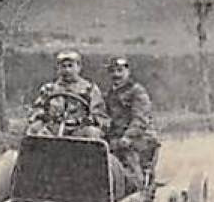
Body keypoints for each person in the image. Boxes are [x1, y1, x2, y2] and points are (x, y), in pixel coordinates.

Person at [103, 57, 159, 191]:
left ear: (128, 72)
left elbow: (140, 119)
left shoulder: (137, 92)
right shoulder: (110, 94)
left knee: (128, 159)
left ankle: (136, 187)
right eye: (112, 71)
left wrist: (128, 137)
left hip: (140, 137)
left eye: (120, 71)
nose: (116, 75)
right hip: (117, 136)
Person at [26, 50, 106, 138]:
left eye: (70, 66)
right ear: (58, 68)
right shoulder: (49, 89)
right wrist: (41, 116)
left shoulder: (90, 89)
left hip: (79, 129)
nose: (67, 70)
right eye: (63, 66)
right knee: (34, 130)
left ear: (79, 67)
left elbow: (99, 114)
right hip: (53, 129)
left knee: (92, 132)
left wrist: (89, 120)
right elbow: (37, 109)